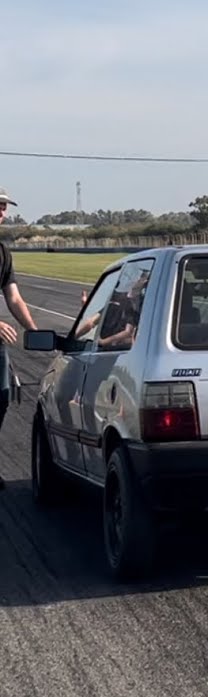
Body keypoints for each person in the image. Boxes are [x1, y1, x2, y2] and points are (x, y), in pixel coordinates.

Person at [0, 187, 40, 490]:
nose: (2, 212)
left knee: (2, 398)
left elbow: (13, 298)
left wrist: (35, 331)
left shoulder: (3, 252)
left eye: (4, 207)